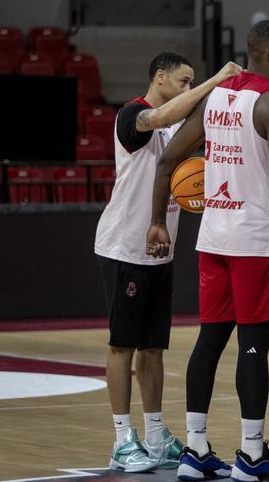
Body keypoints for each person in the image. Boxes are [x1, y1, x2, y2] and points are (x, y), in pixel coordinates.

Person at [146, 19, 269, 482]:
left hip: (213, 236)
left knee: (210, 340)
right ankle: (251, 456)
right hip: (255, 241)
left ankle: (194, 449)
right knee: (254, 343)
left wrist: (156, 221)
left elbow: (170, 158)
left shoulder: (216, 95)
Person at [95, 54, 239, 473]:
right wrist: (214, 79)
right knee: (122, 344)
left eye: (191, 81)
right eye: (183, 80)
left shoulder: (179, 124)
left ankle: (156, 435)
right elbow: (161, 116)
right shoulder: (132, 115)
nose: (187, 86)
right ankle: (122, 438)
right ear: (159, 76)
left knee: (153, 348)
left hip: (161, 250)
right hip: (123, 246)